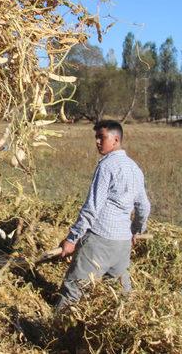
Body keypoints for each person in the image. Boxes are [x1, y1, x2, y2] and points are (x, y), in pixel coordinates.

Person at [55, 120, 151, 310]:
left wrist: (72, 239)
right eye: (96, 137)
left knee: (74, 290)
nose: (97, 142)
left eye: (102, 137)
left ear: (116, 139)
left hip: (99, 241)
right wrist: (136, 232)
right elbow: (144, 206)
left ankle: (52, 333)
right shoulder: (135, 168)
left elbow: (92, 207)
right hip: (122, 246)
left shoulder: (106, 166)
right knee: (118, 297)